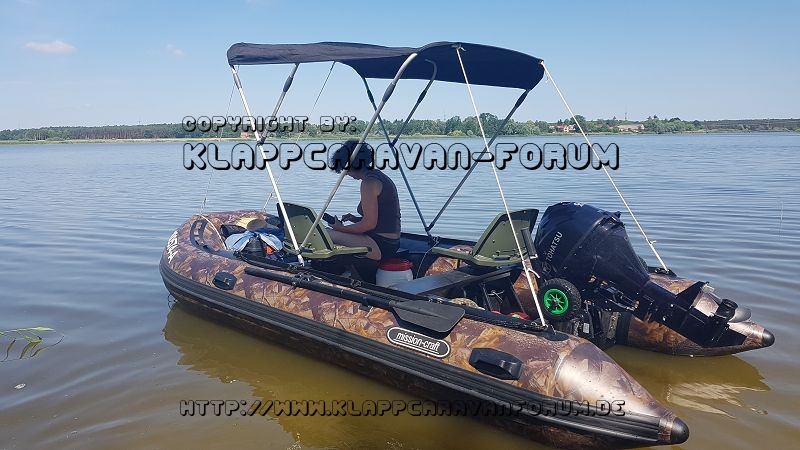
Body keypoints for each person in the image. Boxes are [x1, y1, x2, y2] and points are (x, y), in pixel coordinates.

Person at [328, 139, 400, 261]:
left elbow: (369, 224)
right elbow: (382, 219)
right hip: (388, 241)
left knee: (326, 233)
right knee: (331, 234)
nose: (346, 174)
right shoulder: (377, 176)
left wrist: (340, 228)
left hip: (381, 245)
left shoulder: (369, 183)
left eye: (345, 169)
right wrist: (355, 219)